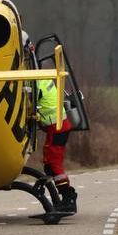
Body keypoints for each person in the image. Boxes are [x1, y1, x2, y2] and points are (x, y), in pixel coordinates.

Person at [36, 76, 77, 214]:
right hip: (59, 126)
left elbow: (27, 105)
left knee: (53, 166)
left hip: (57, 127)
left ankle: (68, 199)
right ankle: (66, 198)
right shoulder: (41, 79)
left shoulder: (36, 84)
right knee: (49, 166)